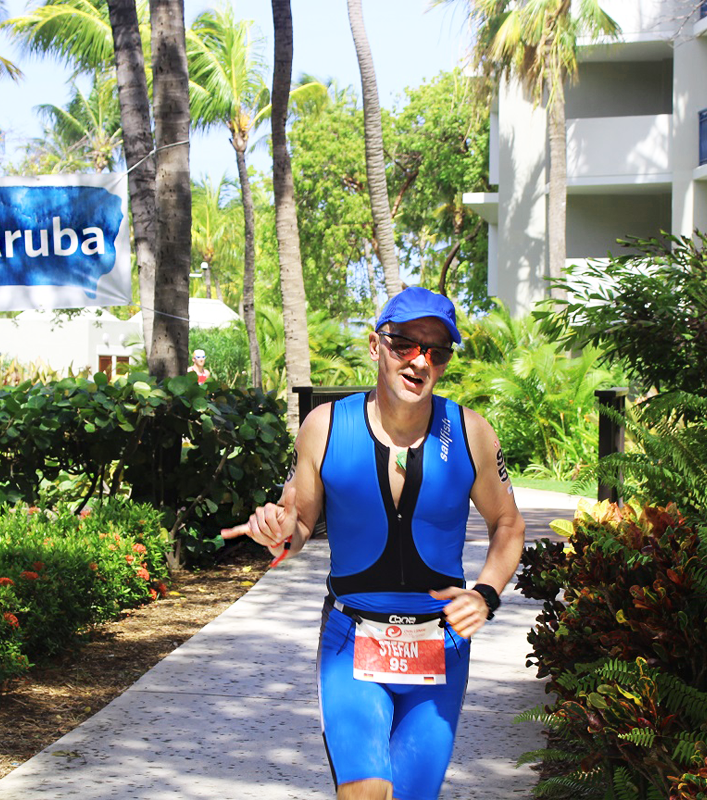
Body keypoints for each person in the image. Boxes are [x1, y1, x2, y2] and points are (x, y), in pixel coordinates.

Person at [222, 286, 525, 800]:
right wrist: (278, 529)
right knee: (365, 792)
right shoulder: (325, 426)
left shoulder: (470, 432)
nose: (419, 361)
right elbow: (297, 524)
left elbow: (508, 525)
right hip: (352, 641)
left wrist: (487, 594)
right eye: (405, 343)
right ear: (375, 345)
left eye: (436, 350)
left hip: (441, 647)